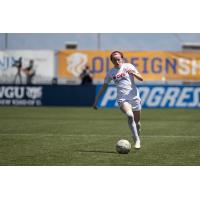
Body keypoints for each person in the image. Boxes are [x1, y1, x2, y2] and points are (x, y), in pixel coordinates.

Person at [93, 51, 143, 149]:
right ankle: (137, 140)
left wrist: (133, 73)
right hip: (122, 98)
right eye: (114, 60)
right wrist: (96, 101)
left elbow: (141, 78)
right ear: (111, 61)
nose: (117, 61)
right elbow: (104, 87)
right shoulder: (111, 72)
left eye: (118, 59)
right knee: (129, 115)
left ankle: (137, 135)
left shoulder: (129, 66)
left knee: (137, 123)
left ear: (122, 59)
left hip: (135, 97)